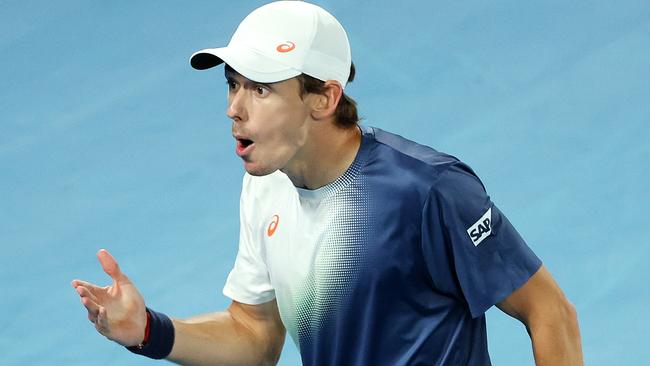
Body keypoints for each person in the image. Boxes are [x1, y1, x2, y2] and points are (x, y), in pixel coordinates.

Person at [71, 1, 583, 365]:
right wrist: (148, 331)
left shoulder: (428, 191)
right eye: (232, 84)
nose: (234, 108)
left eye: (262, 89)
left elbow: (548, 309)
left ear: (323, 98)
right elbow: (254, 336)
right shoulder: (265, 186)